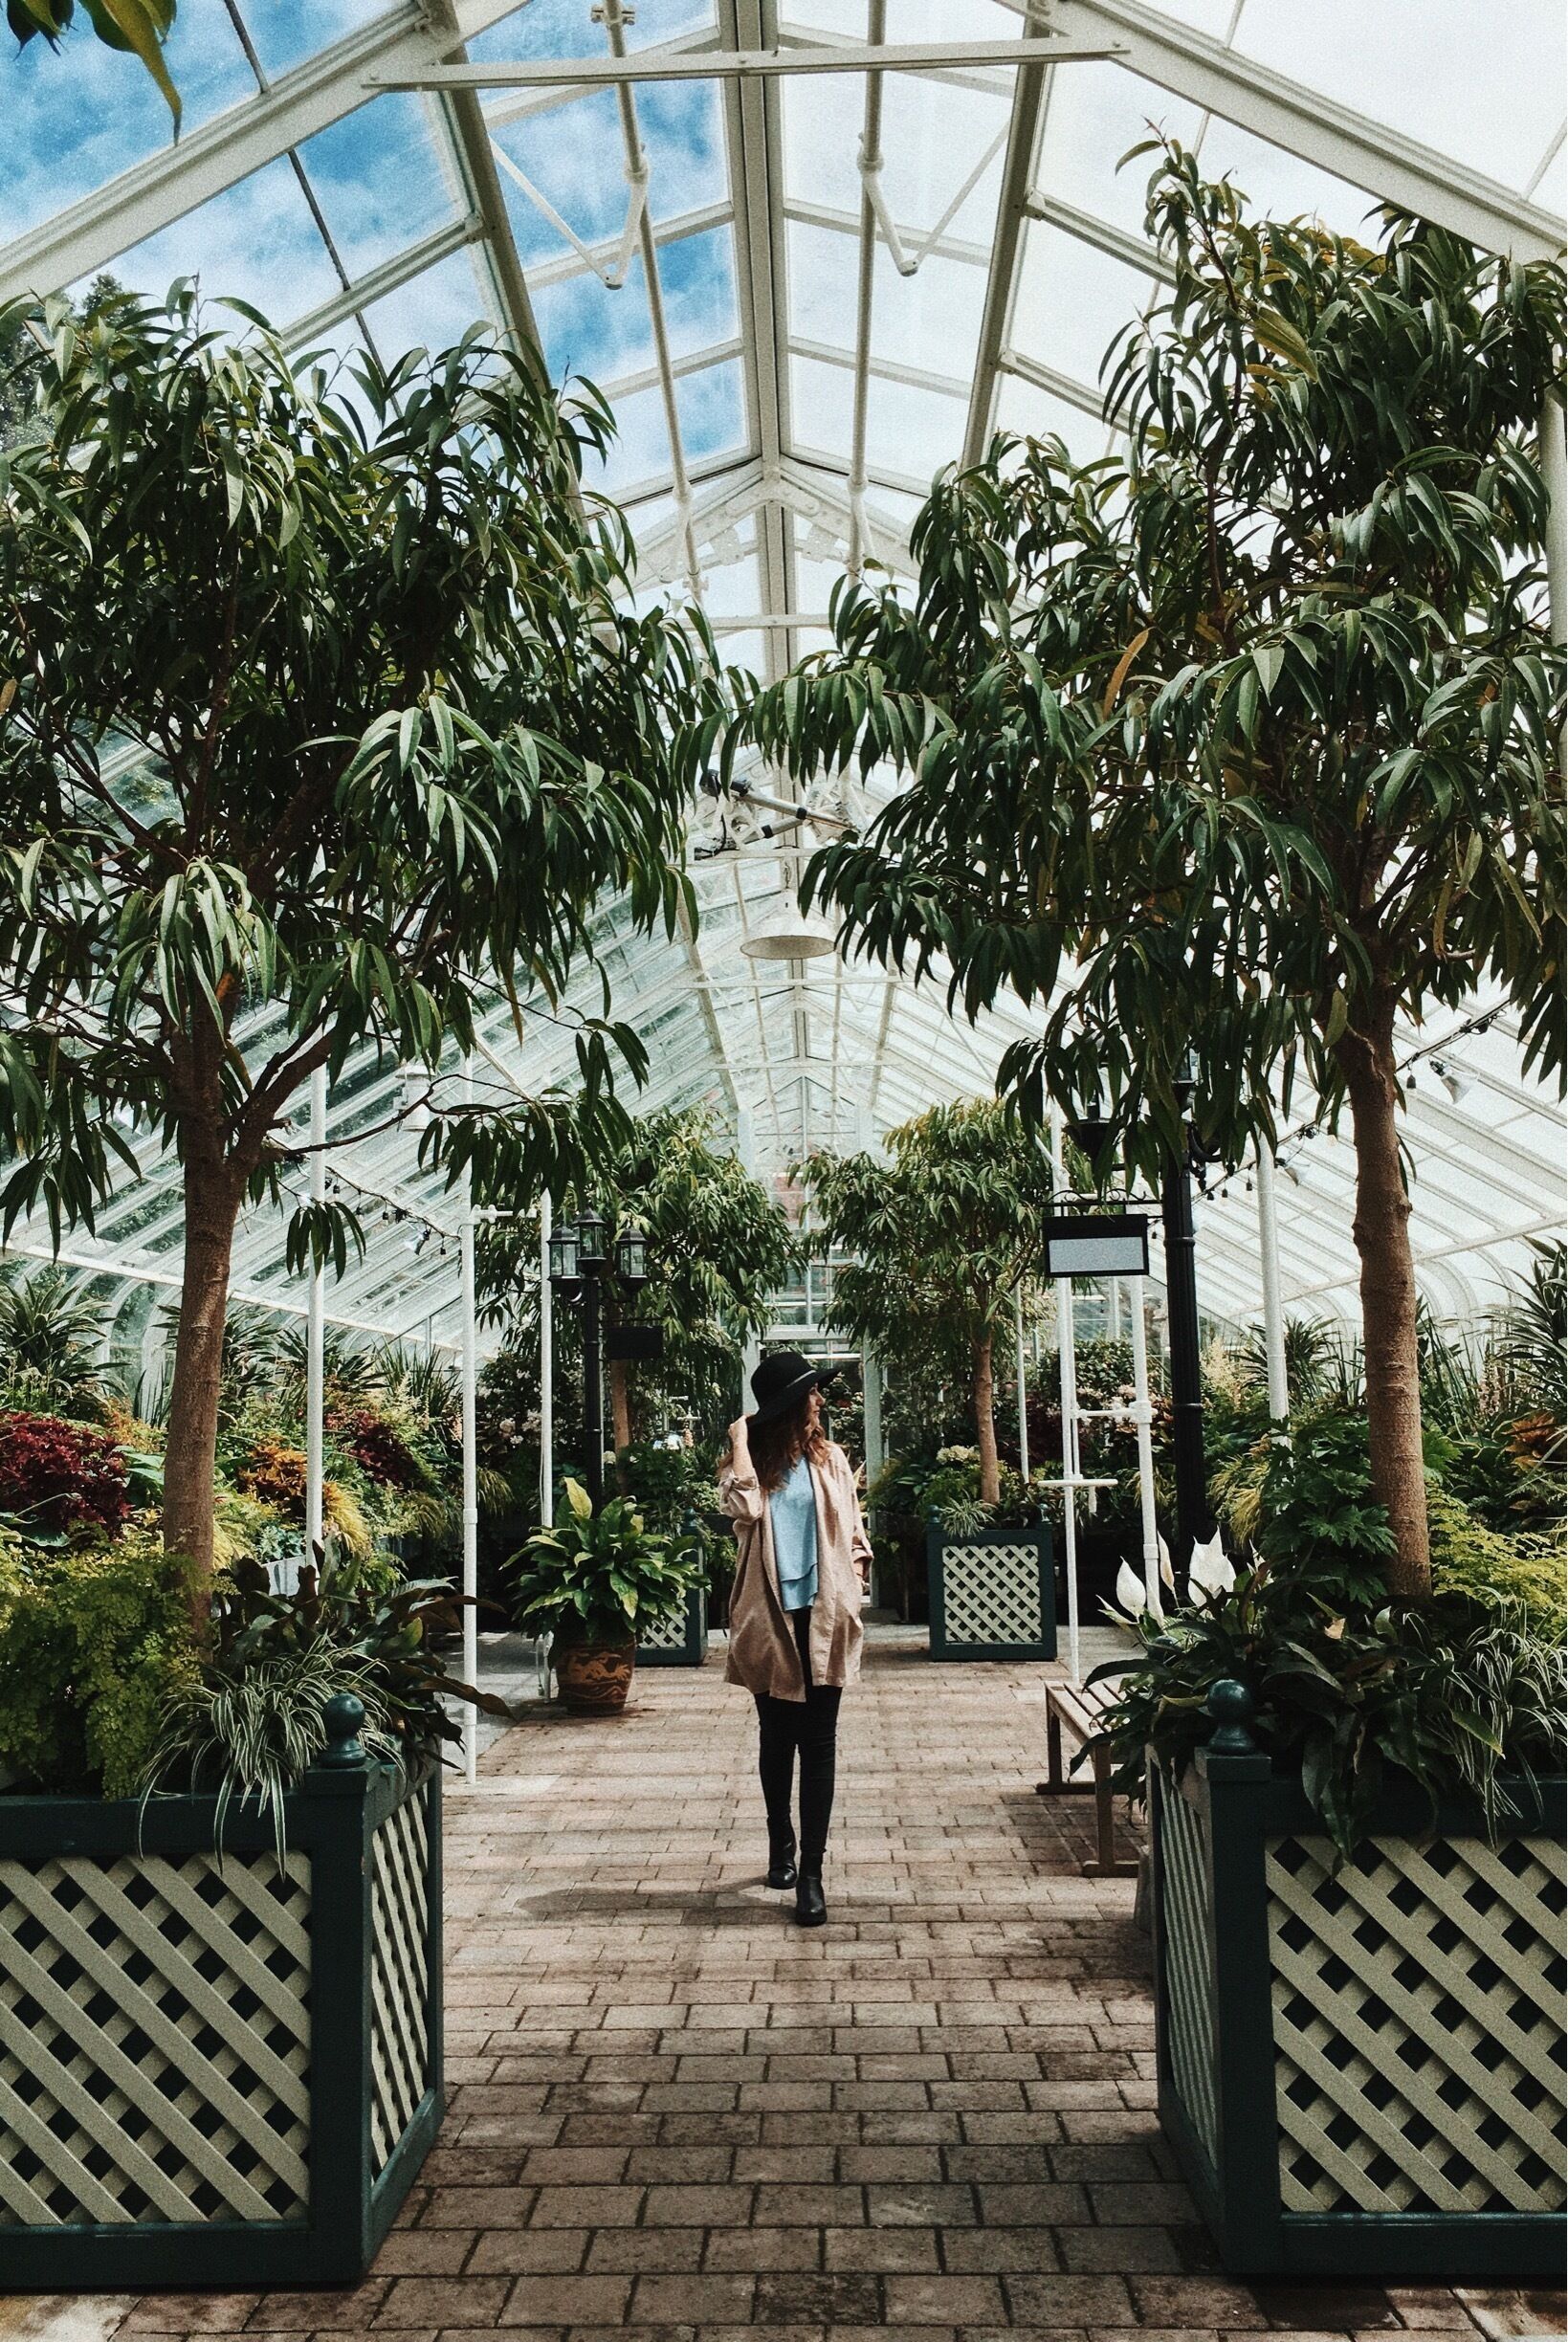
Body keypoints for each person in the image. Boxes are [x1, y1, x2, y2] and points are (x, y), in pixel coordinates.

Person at [718, 1350, 871, 1926]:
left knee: (821, 1742)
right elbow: (744, 1506)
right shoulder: (750, 1463)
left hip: (826, 1612)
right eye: (811, 1393)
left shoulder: (831, 1458)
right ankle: (779, 1839)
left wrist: (856, 1577)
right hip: (770, 1618)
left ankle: (811, 1872)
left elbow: (854, 1528)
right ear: (787, 1404)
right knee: (777, 1737)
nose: (820, 1401)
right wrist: (739, 1440)